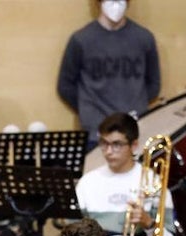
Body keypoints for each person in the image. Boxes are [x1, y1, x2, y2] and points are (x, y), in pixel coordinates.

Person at [57, 0, 161, 148]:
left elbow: (153, 84)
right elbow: (65, 85)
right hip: (96, 135)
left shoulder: (144, 38)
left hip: (134, 132)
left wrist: (137, 104)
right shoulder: (80, 39)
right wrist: (88, 108)